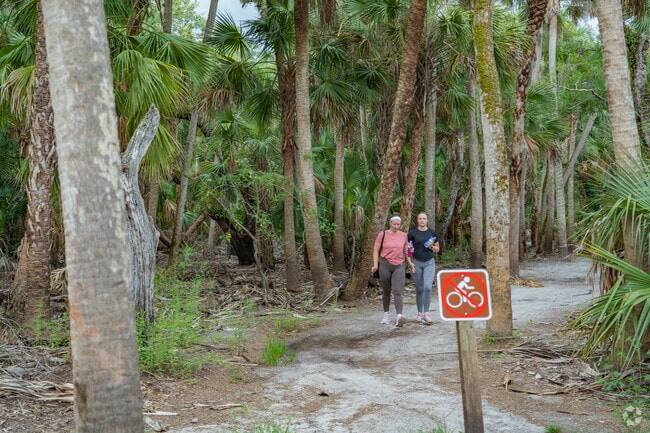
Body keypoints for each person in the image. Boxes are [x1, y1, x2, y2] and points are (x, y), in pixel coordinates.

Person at [371, 215, 413, 327]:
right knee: (386, 291)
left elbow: (407, 251)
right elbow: (375, 250)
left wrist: (410, 263)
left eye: (398, 224)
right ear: (390, 223)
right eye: (394, 224)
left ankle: (399, 316)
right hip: (385, 264)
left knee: (398, 291)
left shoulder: (404, 236)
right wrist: (375, 265)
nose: (396, 226)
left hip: (399, 265)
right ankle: (386, 314)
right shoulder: (382, 234)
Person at [407, 212, 440, 325]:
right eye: (420, 218)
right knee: (420, 289)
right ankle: (419, 313)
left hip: (429, 263)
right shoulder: (412, 233)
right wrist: (410, 263)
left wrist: (431, 246)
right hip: (416, 262)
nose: (422, 220)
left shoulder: (432, 233)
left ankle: (426, 312)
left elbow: (437, 249)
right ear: (417, 220)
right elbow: (409, 249)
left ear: (427, 220)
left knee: (428, 287)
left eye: (424, 218)